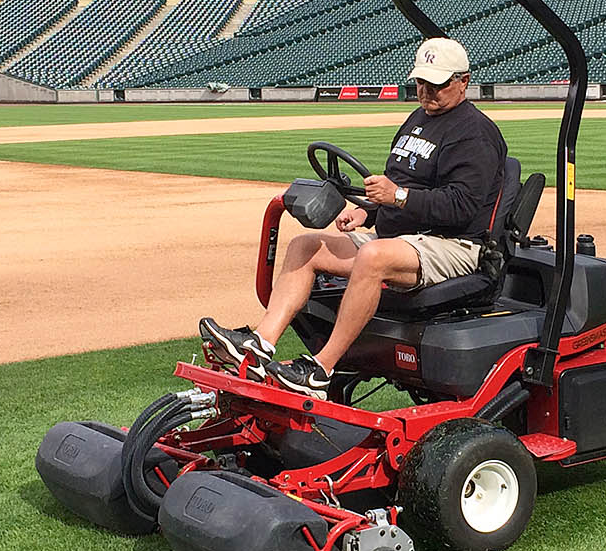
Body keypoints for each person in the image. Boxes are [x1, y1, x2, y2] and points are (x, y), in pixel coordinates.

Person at [198, 37, 507, 399]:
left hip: (454, 245)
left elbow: (462, 206)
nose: (426, 91)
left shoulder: (476, 134)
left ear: (463, 81)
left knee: (374, 257)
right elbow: (401, 182)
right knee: (305, 246)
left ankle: (320, 369)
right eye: (421, 83)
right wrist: (369, 210)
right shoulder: (418, 119)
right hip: (403, 236)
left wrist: (399, 198)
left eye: (437, 85)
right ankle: (260, 344)